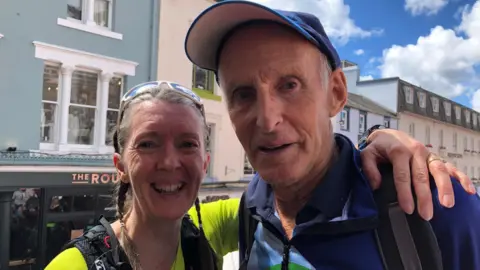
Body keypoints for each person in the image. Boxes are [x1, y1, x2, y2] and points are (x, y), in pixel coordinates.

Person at [45, 78, 472, 270]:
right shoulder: (76, 264)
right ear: (119, 166)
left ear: (205, 162)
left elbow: (303, 182)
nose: (171, 162)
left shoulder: (212, 227)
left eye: (188, 144)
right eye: (148, 144)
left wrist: (377, 144)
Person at [184, 1, 480, 269]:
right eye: (243, 94)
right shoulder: (253, 206)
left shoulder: (434, 208)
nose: (267, 120)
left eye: (289, 85)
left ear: (337, 93)